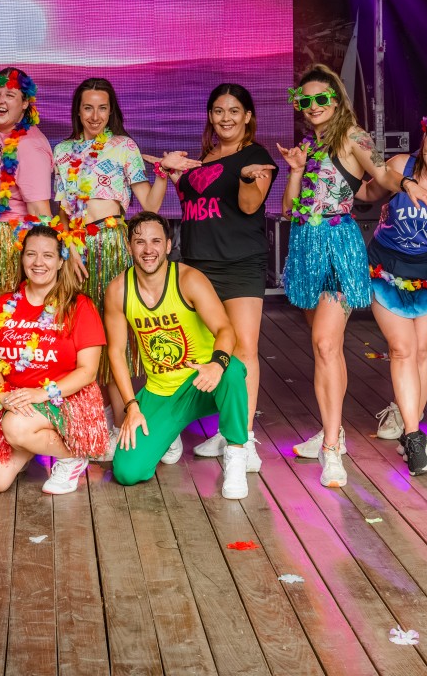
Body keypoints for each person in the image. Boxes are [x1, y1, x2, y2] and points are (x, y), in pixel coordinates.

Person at [274, 65, 426, 489]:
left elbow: (381, 173)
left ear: (337, 99)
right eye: (305, 100)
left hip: (339, 248)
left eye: (321, 98)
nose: (313, 106)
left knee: (325, 344)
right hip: (305, 250)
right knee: (327, 349)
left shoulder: (353, 136)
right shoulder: (308, 145)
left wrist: (405, 182)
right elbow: (288, 208)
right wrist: (295, 170)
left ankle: (331, 449)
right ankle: (332, 430)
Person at [157, 83, 275, 473]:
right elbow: (192, 204)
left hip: (239, 264)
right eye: (218, 111)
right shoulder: (202, 158)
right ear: (210, 116)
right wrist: (172, 172)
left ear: (247, 116)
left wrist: (247, 178)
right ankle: (224, 430)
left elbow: (250, 205)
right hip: (196, 264)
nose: (226, 118)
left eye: (234, 111)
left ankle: (245, 438)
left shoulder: (256, 157)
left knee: (243, 351)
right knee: (202, 349)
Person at [51, 78, 169, 445]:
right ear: (78, 110)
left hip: (112, 242)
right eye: (88, 107)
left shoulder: (124, 147)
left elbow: (150, 205)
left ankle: (124, 420)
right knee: (80, 332)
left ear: (111, 110)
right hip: (75, 248)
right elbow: (62, 212)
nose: (95, 115)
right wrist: (68, 250)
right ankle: (92, 416)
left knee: (115, 330)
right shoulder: (62, 150)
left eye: (102, 108)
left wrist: (165, 173)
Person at [103, 212, 251, 500]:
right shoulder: (118, 290)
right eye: (140, 242)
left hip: (202, 383)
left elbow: (225, 329)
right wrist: (131, 406)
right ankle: (169, 434)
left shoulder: (189, 280)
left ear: (169, 245)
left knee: (232, 370)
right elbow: (116, 353)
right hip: (161, 392)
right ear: (129, 246)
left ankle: (235, 454)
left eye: (156, 241)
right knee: (127, 472)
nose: (148, 249)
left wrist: (216, 365)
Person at [358, 112, 427, 475]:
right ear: (424, 138)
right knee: (401, 348)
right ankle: (412, 436)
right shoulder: (400, 165)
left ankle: (413, 424)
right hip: (386, 267)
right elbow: (367, 190)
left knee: (422, 351)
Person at [0, 225, 111, 496]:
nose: (38, 262)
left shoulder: (79, 306)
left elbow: (88, 371)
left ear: (60, 261)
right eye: (31, 254)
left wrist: (40, 394)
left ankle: (71, 456)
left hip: (65, 398)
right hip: (15, 399)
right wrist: (3, 395)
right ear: (22, 259)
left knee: (15, 426)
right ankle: (29, 444)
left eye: (47, 255)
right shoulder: (5, 304)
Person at [0, 68, 54, 334]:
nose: (0, 100)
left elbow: (40, 212)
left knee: (9, 326)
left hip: (7, 242)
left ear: (25, 103)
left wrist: (44, 262)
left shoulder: (31, 146)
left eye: (10, 95)